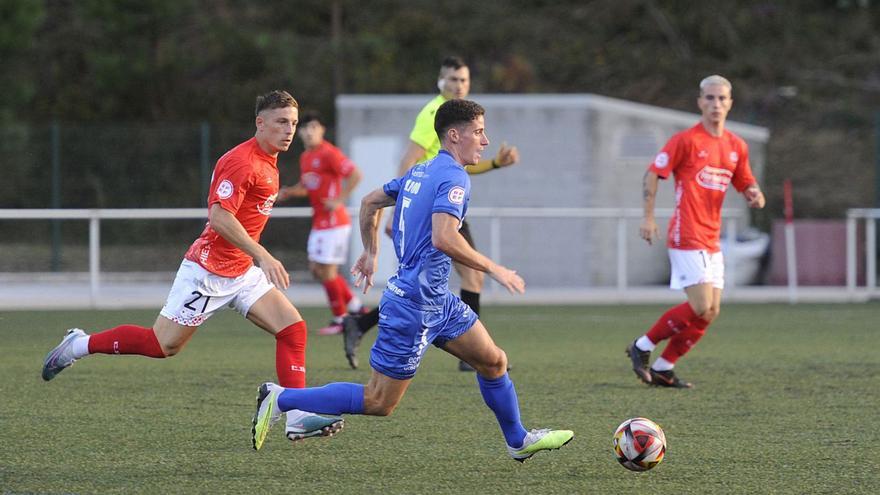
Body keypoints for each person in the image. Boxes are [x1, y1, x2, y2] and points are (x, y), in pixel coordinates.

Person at [252, 99, 573, 461]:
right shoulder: (453, 177)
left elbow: (370, 201)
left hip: (440, 302)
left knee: (494, 361)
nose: (485, 141)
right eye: (479, 132)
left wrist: (371, 252)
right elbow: (444, 238)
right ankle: (281, 397)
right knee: (378, 401)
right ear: (454, 135)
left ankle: (518, 440)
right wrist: (494, 268)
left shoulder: (422, 171)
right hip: (414, 305)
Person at [41, 90, 343, 441]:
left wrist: (252, 257)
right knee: (162, 346)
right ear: (260, 123)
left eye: (292, 123)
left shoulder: (271, 161)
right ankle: (79, 344)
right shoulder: (243, 161)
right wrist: (262, 254)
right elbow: (218, 216)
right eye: (281, 122)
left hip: (241, 271)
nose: (289, 130)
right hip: (209, 272)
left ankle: (296, 414)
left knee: (293, 329)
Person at [343, 55, 519, 371]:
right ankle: (471, 356)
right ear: (441, 82)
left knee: (449, 278)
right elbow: (409, 161)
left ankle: (363, 324)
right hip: (429, 204)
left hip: (438, 198)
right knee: (452, 276)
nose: (459, 86)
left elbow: (458, 162)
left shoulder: (460, 121)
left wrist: (494, 164)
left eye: (463, 80)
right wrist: (400, 211)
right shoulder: (434, 114)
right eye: (453, 80)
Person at [626, 75, 766, 388]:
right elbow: (652, 175)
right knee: (701, 305)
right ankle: (642, 346)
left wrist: (754, 193)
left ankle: (663, 367)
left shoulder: (735, 146)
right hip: (686, 234)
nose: (716, 104)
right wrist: (648, 218)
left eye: (722, 98)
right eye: (710, 98)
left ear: (730, 103)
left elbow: (745, 181)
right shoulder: (686, 140)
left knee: (710, 311)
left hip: (711, 238)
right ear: (700, 102)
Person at [277, 110, 366, 336]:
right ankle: (356, 308)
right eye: (305, 128)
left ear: (322, 130)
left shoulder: (329, 153)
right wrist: (289, 192)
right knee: (317, 270)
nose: (309, 132)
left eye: (314, 127)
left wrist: (339, 199)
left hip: (335, 222)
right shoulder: (306, 157)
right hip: (321, 222)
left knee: (327, 270)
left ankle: (341, 318)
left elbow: (356, 174)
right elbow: (308, 185)